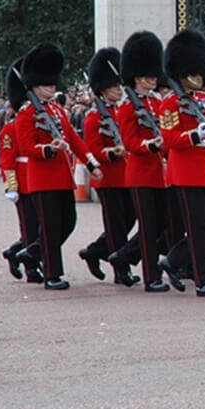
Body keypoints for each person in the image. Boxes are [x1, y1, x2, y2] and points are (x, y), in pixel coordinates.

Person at [13, 43, 104, 290]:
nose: (52, 87)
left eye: (53, 83)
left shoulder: (58, 111)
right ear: (34, 84)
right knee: (51, 227)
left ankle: (32, 252)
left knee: (68, 222)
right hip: (42, 178)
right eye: (47, 83)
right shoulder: (26, 113)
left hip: (63, 178)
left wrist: (91, 163)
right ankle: (52, 275)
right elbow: (26, 146)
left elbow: (75, 140)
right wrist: (49, 149)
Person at [158, 29, 205, 297]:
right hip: (186, 172)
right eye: (195, 73)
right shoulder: (170, 104)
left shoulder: (204, 102)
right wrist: (195, 136)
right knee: (197, 228)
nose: (200, 77)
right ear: (183, 73)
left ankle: (173, 261)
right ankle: (202, 281)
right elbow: (168, 139)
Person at [111, 31, 173, 292]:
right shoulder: (127, 107)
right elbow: (129, 141)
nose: (153, 79)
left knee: (162, 225)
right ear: (137, 77)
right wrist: (150, 145)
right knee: (147, 227)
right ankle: (151, 277)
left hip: (161, 173)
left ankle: (124, 255)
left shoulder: (160, 103)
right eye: (149, 76)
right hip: (141, 172)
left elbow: (168, 129)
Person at [78, 47, 139, 286]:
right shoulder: (94, 117)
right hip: (109, 178)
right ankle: (121, 270)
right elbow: (93, 150)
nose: (118, 89)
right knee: (116, 227)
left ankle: (94, 252)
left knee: (129, 220)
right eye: (114, 86)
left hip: (126, 176)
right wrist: (113, 153)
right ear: (102, 88)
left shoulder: (121, 111)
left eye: (119, 85)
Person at [0, 61, 43, 284]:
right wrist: (12, 185)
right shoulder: (11, 128)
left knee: (41, 226)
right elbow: (7, 160)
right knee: (29, 225)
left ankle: (15, 252)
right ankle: (32, 268)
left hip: (40, 179)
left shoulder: (38, 122)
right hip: (24, 183)